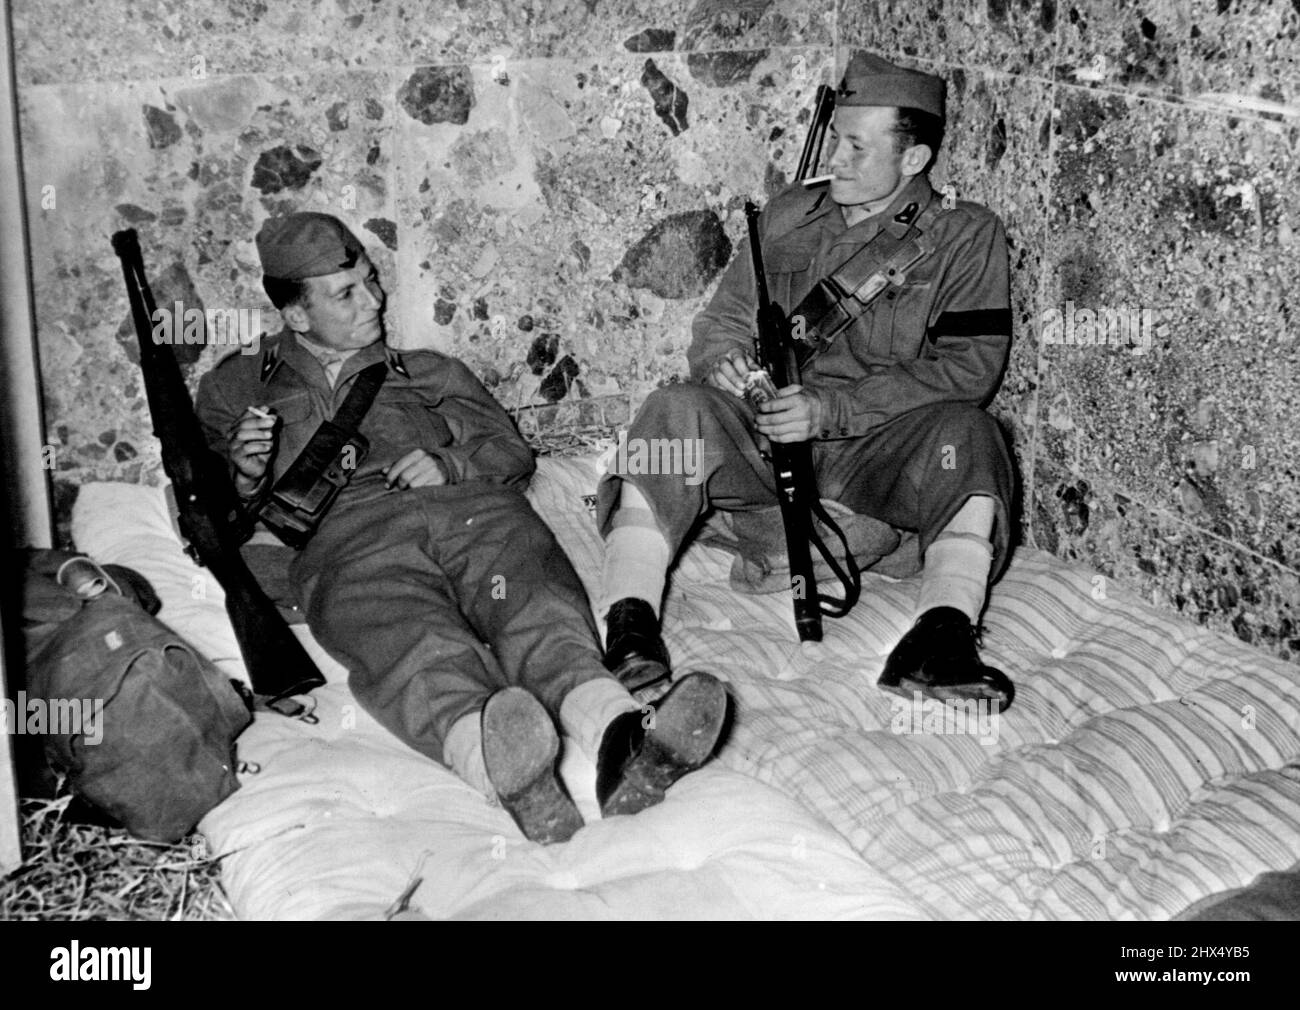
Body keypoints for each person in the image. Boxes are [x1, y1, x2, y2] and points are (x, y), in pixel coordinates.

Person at [195, 212, 728, 844]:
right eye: (348, 293)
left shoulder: (426, 371)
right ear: (296, 315)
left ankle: (621, 736)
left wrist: (451, 462)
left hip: (472, 511)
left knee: (533, 600)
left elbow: (511, 453)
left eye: (370, 280)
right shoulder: (234, 388)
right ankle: (502, 764)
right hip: (349, 541)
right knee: (407, 637)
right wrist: (246, 476)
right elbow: (211, 522)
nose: (374, 300)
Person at [596, 53, 1018, 710]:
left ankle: (939, 639)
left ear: (914, 159)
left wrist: (834, 410)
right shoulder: (788, 215)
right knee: (673, 409)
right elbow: (723, 320)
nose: (837, 159)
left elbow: (968, 369)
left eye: (857, 145)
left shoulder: (965, 237)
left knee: (971, 432)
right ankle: (629, 629)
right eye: (834, 139)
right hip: (767, 451)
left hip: (873, 459)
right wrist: (729, 367)